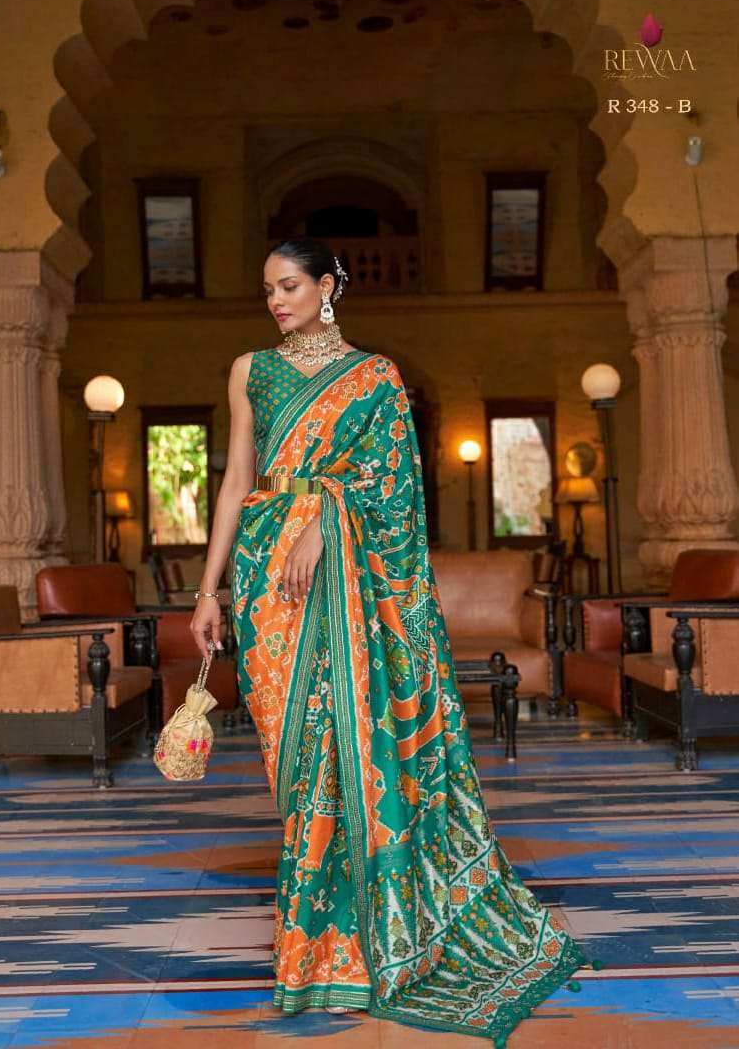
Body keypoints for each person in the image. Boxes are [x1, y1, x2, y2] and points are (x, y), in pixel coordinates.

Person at [189, 237, 587, 1046]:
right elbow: (235, 482)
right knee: (293, 754)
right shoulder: (249, 371)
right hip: (267, 577)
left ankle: (336, 954)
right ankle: (325, 939)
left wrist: (328, 520)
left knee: (345, 746)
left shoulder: (376, 378)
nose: (277, 300)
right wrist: (208, 588)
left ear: (328, 286)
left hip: (342, 575)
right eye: (268, 289)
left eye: (290, 285)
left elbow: (395, 488)